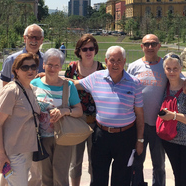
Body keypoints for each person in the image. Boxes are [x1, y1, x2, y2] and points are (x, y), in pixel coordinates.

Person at [72, 46, 144, 186]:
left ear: (124, 62)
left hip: (126, 136)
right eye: (112, 60)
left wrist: (140, 140)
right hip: (101, 136)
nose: (115, 64)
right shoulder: (96, 78)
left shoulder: (135, 83)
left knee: (122, 178)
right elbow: (74, 84)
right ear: (106, 61)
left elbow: (140, 114)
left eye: (119, 60)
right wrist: (51, 77)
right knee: (98, 177)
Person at [127, 34, 186, 186]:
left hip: (159, 124)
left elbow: (181, 78)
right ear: (141, 46)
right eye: (147, 44)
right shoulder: (134, 66)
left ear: (159, 46)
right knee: (137, 161)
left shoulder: (165, 65)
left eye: (153, 44)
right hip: (138, 124)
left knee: (159, 164)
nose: (150, 47)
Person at [0, 24, 45, 186]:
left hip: (36, 133)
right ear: (24, 38)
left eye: (37, 37)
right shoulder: (11, 60)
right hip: (15, 132)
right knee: (11, 174)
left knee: (36, 175)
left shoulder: (46, 61)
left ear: (42, 40)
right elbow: (5, 93)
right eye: (30, 37)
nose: (33, 40)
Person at [31, 48, 83, 186]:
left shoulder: (68, 86)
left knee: (60, 178)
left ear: (60, 67)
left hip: (63, 138)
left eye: (56, 65)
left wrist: (66, 111)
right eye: (49, 64)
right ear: (43, 65)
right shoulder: (34, 84)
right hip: (42, 138)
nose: (52, 68)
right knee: (45, 178)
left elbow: (79, 111)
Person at [0, 53, 41, 186]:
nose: (30, 70)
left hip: (28, 149)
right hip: (13, 153)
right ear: (16, 71)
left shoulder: (30, 89)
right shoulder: (11, 90)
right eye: (25, 68)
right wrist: (1, 155)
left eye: (33, 66)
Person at [64, 34, 105, 186]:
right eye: (85, 49)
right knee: (75, 161)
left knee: (95, 160)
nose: (88, 52)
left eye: (91, 48)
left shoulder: (101, 68)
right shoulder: (72, 67)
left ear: (95, 50)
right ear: (79, 51)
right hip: (76, 119)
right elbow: (64, 86)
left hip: (97, 120)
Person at [158, 53, 186, 186]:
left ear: (181, 68)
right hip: (171, 141)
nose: (172, 72)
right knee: (178, 177)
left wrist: (173, 116)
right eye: (168, 68)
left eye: (175, 68)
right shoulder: (164, 86)